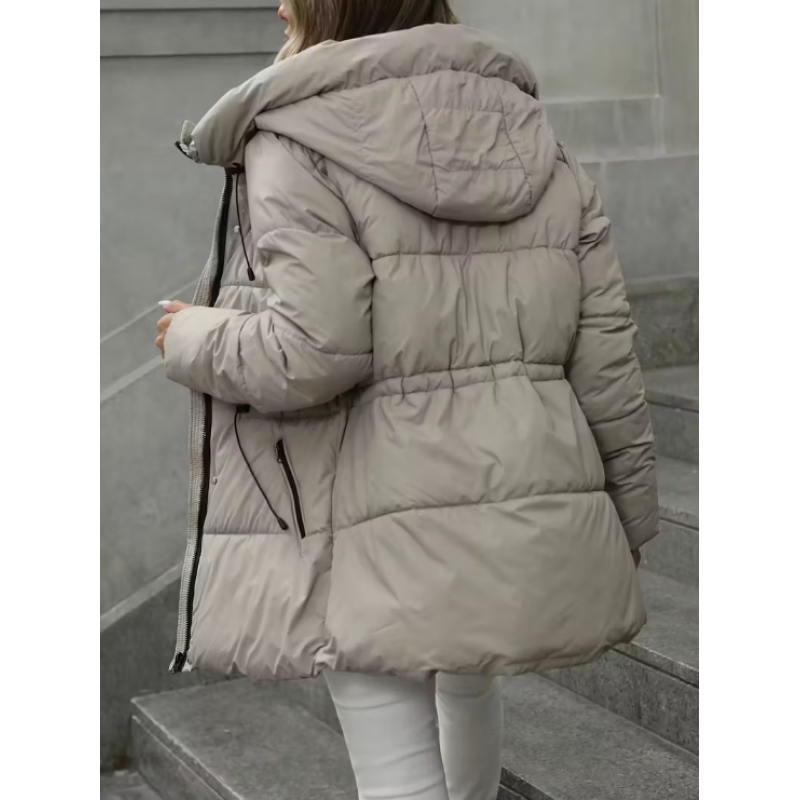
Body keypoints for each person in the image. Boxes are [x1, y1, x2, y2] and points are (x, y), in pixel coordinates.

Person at [155, 2, 659, 798]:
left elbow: (315, 349)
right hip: (514, 487)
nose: (278, 5)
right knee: (469, 682)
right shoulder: (534, 141)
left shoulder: (298, 139)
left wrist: (194, 337)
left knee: (395, 759)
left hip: (371, 513)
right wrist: (631, 516)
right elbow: (605, 358)